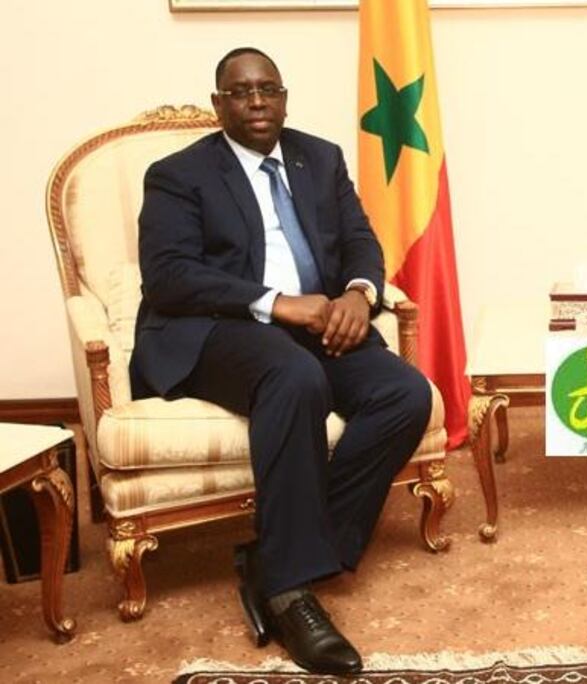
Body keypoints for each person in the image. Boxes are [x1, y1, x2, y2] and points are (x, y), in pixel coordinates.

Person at [131, 47, 433, 675]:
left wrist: (359, 293)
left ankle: (275, 557)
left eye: (268, 88)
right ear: (219, 105)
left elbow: (358, 240)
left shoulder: (319, 158)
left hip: (320, 321)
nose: (258, 101)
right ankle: (292, 593)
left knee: (405, 393)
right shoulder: (176, 174)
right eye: (241, 92)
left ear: (285, 97)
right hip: (217, 330)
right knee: (293, 376)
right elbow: (168, 278)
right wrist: (277, 304)